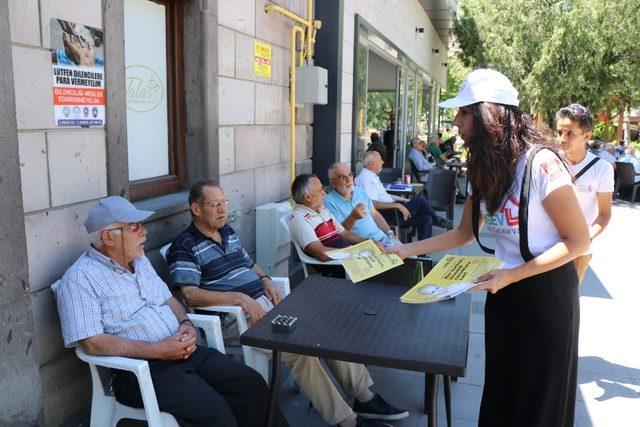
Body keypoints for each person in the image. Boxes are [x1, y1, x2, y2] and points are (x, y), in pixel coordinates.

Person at [386, 69, 590, 426]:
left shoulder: (541, 163)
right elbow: (464, 232)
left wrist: (513, 274)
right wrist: (406, 250)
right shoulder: (486, 166)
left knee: (537, 403)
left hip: (545, 295)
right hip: (503, 290)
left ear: (488, 114)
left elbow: (579, 240)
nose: (456, 121)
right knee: (501, 394)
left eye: (464, 112)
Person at [167, 181, 406, 427]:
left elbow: (249, 265)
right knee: (300, 351)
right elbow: (191, 295)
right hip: (235, 318)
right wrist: (238, 299)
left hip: (264, 304)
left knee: (326, 328)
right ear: (196, 208)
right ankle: (348, 422)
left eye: (224, 202)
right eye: (214, 204)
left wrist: (266, 279)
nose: (222, 209)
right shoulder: (184, 246)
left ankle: (364, 396)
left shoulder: (227, 232)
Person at [54, 196, 286, 427]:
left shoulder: (139, 260)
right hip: (142, 371)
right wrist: (158, 350)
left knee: (250, 384)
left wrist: (186, 324)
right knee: (215, 413)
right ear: (108, 237)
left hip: (182, 351)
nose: (144, 232)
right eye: (134, 227)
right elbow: (92, 343)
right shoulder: (79, 279)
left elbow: (169, 299)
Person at [556, 104, 614, 284]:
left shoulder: (601, 168)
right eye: (559, 133)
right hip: (545, 244)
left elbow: (604, 213)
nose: (562, 139)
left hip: (579, 250)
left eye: (570, 133)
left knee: (568, 301)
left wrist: (584, 237)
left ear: (587, 136)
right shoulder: (550, 160)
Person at [355, 150, 453, 240]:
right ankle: (438, 220)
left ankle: (423, 255)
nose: (383, 162)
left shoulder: (372, 176)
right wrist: (397, 205)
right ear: (371, 164)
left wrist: (404, 200)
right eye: (380, 160)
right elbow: (372, 204)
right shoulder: (364, 179)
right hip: (387, 215)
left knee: (426, 218)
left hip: (393, 210)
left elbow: (386, 196)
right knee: (420, 200)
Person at [288, 174, 381, 262]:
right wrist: (354, 252)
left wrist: (369, 242)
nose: (324, 193)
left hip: (349, 256)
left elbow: (345, 234)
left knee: (389, 255)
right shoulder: (299, 219)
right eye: (320, 190)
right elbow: (322, 254)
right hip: (337, 266)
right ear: (308, 197)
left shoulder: (322, 209)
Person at [324, 163, 400, 247]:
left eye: (350, 175)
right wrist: (352, 218)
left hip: (384, 239)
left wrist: (390, 233)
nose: (349, 180)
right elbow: (340, 234)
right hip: (363, 246)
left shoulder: (360, 191)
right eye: (342, 177)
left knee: (411, 254)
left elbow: (375, 214)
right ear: (333, 182)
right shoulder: (328, 202)